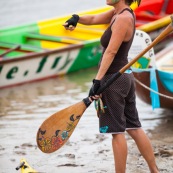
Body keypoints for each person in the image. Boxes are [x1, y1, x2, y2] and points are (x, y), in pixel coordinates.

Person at [63, 0, 159, 172]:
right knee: (134, 127)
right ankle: (154, 170)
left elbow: (111, 51)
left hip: (113, 80)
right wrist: (77, 18)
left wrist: (98, 81)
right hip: (124, 78)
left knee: (117, 132)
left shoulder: (122, 19)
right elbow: (93, 19)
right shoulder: (120, 13)